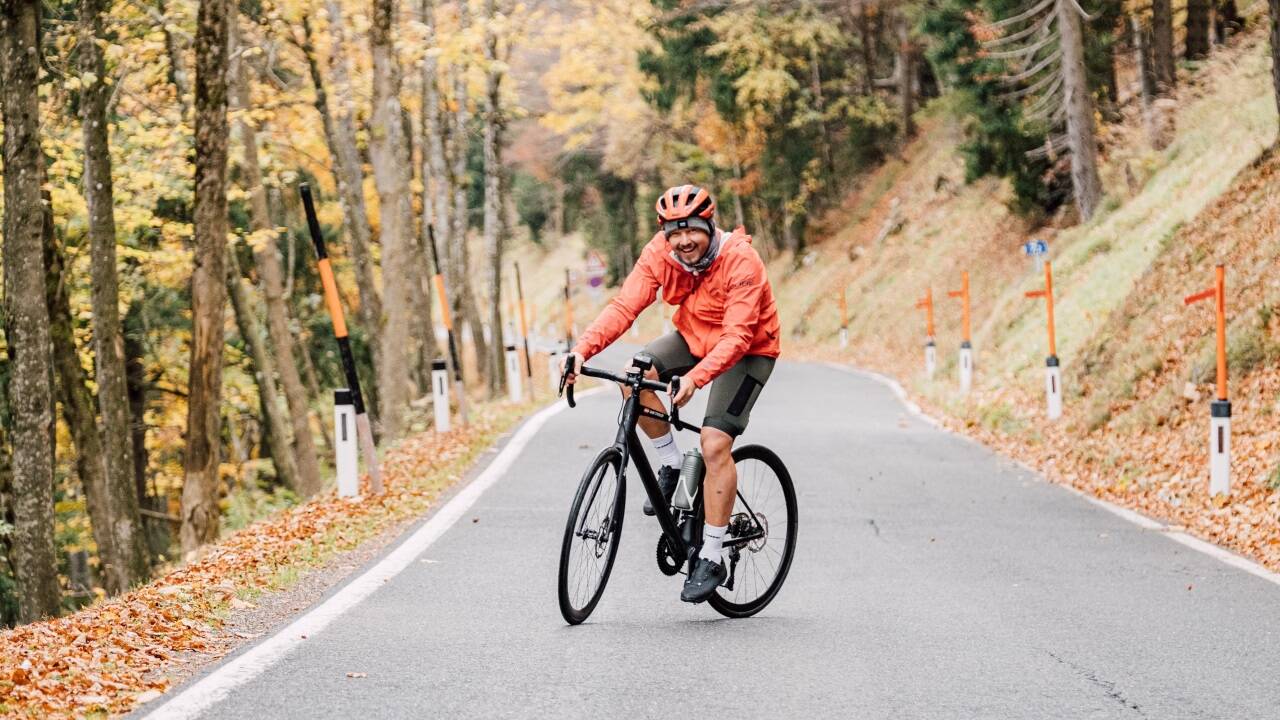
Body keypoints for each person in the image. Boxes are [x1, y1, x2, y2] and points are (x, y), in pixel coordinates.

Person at [561, 184, 781, 604]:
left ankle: (712, 555)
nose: (683, 241)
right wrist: (580, 350)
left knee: (715, 443)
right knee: (633, 377)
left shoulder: (741, 260)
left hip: (749, 349)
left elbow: (736, 336)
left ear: (709, 226)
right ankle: (673, 463)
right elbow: (624, 307)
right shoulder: (660, 254)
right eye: (674, 232)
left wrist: (695, 379)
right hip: (695, 335)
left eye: (692, 230)